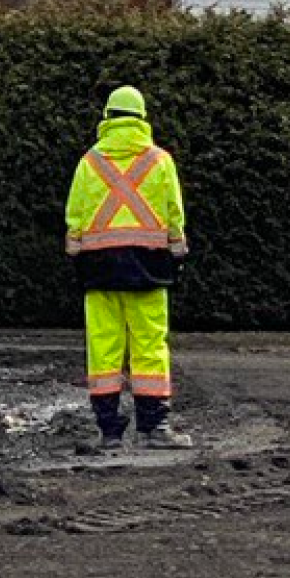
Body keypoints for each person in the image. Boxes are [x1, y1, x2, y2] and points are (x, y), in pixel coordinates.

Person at [64, 85, 192, 451]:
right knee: (149, 345)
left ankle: (109, 431)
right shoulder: (160, 161)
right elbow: (173, 213)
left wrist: (76, 243)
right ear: (143, 119)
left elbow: (75, 214)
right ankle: (154, 427)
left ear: (107, 118)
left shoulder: (90, 163)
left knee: (103, 348)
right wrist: (176, 244)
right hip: (149, 266)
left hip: (99, 268)